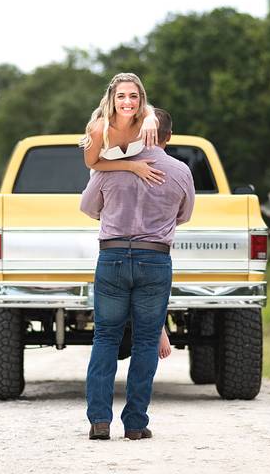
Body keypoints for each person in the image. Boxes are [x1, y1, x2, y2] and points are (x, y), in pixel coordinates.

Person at [80, 108, 195, 441]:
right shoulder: (180, 171)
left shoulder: (110, 163)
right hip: (155, 260)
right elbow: (183, 215)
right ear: (168, 137)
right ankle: (135, 423)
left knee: (105, 337)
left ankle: (99, 420)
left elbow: (88, 208)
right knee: (146, 341)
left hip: (113, 256)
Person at [80, 73, 171, 357]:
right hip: (108, 175)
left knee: (152, 235)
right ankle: (156, 324)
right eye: (121, 96)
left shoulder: (148, 119)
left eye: (133, 96)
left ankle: (158, 325)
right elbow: (93, 163)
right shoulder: (98, 129)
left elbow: (155, 121)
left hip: (140, 183)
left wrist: (151, 121)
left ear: (140, 98)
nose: (127, 102)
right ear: (112, 99)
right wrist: (132, 167)